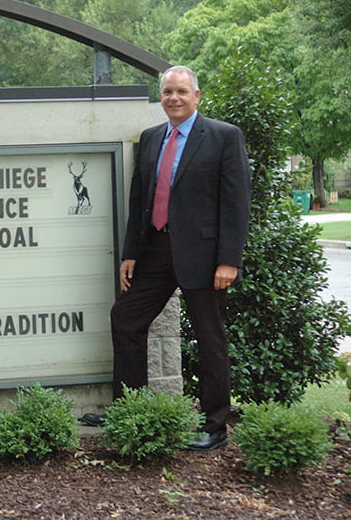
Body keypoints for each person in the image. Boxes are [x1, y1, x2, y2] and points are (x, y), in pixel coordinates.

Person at [109, 65, 251, 451]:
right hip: (155, 250)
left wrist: (229, 260)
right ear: (161, 97)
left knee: (209, 337)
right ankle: (131, 409)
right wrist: (130, 253)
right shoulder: (151, 138)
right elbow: (140, 199)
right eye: (168, 92)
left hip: (205, 258)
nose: (174, 98)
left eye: (182, 92)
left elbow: (236, 202)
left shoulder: (223, 136)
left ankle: (215, 426)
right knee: (126, 319)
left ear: (196, 96)